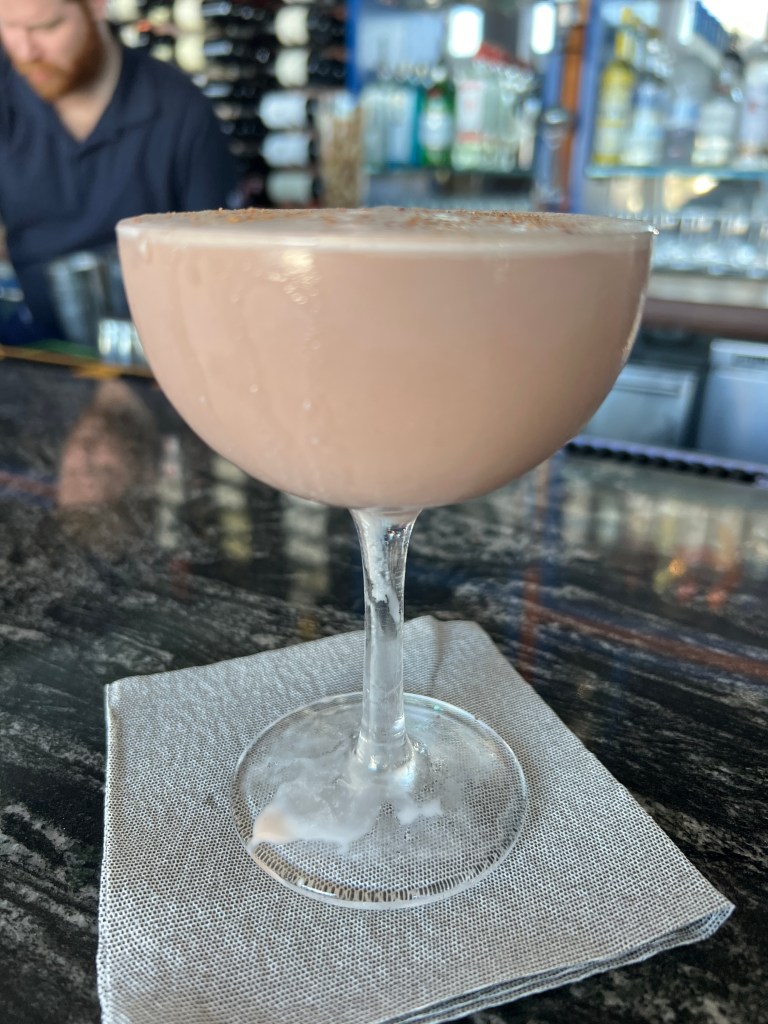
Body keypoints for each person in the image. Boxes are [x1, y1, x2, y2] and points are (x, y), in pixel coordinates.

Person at [0, 0, 238, 342]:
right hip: (38, 343)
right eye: (9, 26)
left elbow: (217, 272)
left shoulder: (180, 110)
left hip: (153, 349)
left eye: (46, 27)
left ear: (97, 6)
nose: (25, 52)